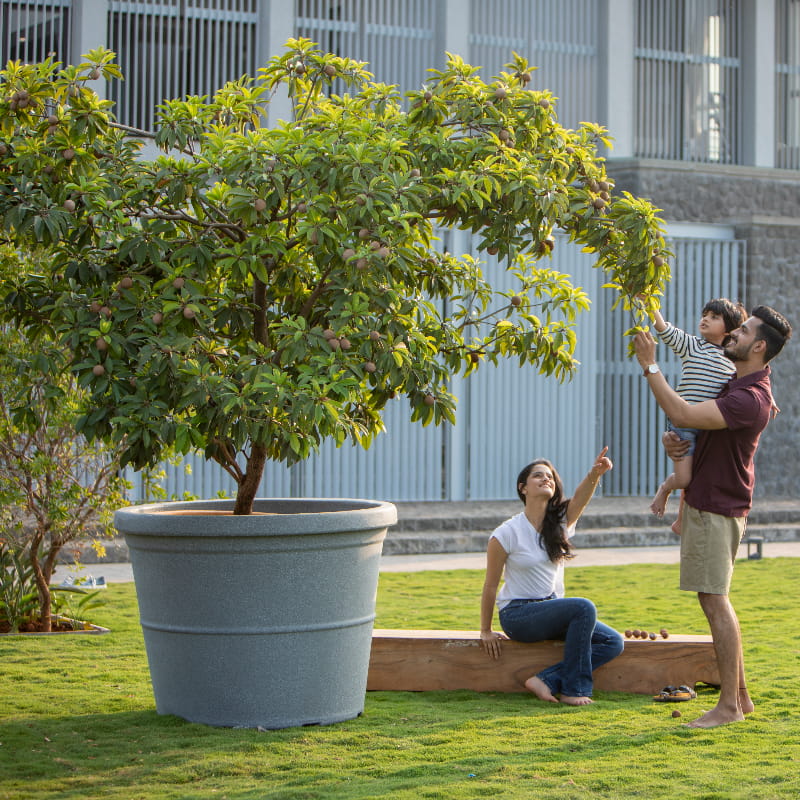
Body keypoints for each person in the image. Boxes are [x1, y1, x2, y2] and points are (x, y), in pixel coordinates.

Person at [634, 305, 791, 728]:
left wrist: (650, 366)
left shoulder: (748, 398)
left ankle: (728, 707)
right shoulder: (736, 384)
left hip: (717, 507)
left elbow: (684, 414)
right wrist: (680, 451)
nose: (734, 334)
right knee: (716, 599)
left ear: (758, 346)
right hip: (712, 501)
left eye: (743, 331)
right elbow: (695, 431)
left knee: (715, 601)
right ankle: (740, 697)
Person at [479, 448, 624, 706]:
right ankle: (574, 689)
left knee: (612, 642)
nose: (547, 479)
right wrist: (486, 630)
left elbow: (580, 498)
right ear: (523, 487)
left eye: (551, 477)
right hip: (518, 615)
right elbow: (490, 585)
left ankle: (545, 680)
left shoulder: (559, 524)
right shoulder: (505, 533)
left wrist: (595, 473)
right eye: (538, 476)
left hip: (552, 609)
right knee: (583, 607)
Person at [646, 297, 746, 534]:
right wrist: (649, 301)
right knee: (683, 479)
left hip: (710, 425)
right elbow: (664, 328)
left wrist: (770, 399)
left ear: (729, 328)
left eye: (714, 317)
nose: (705, 319)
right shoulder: (693, 345)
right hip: (684, 423)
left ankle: (681, 521)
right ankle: (664, 489)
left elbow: (749, 382)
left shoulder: (733, 359)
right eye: (705, 315)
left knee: (696, 477)